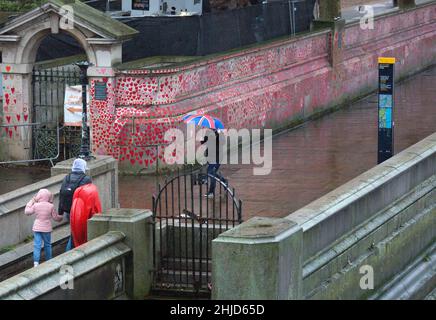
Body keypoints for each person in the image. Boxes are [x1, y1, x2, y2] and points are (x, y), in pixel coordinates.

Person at [58, 158, 92, 251]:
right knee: (76, 234)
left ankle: (72, 250)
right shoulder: (86, 179)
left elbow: (61, 193)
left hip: (68, 211)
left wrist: (60, 212)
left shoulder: (67, 177)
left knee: (73, 232)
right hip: (79, 212)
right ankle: (70, 253)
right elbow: (88, 196)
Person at [25, 189, 63, 267]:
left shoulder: (36, 205)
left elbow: (27, 212)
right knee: (47, 245)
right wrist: (61, 217)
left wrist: (32, 201)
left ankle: (36, 263)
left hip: (37, 227)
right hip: (46, 228)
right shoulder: (51, 206)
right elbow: (55, 218)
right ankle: (48, 260)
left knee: (37, 245)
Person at [70, 183, 102, 247]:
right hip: (84, 228)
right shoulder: (91, 192)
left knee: (73, 239)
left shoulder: (78, 192)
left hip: (77, 225)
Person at [202, 129, 227, 198]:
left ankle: (211, 192)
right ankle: (224, 181)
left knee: (211, 173)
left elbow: (223, 142)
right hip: (210, 157)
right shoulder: (208, 132)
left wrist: (218, 134)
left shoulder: (219, 133)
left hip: (217, 158)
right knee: (211, 173)